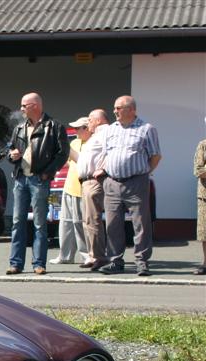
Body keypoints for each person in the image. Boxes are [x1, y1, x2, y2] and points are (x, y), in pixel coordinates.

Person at [94, 95, 161, 276]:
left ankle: (141, 261)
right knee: (112, 224)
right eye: (114, 108)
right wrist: (103, 170)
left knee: (141, 223)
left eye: (119, 108)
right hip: (112, 182)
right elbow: (106, 154)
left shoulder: (146, 129)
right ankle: (115, 261)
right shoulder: (109, 130)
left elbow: (155, 156)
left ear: (131, 110)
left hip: (136, 182)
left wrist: (144, 172)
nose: (114, 111)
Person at [6, 92, 69, 275]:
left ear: (35, 105)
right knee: (18, 222)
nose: (21, 109)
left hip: (39, 180)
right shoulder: (19, 128)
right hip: (21, 178)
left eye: (24, 105)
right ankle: (16, 263)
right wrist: (12, 156)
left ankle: (39, 264)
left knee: (40, 223)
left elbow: (62, 153)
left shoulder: (54, 126)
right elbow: (11, 151)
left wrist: (47, 173)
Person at [51, 117, 92, 265]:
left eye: (78, 128)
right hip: (69, 187)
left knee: (81, 224)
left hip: (82, 189)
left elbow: (82, 161)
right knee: (66, 223)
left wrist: (66, 149)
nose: (75, 132)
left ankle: (87, 255)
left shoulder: (93, 143)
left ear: (87, 128)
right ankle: (65, 255)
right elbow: (68, 163)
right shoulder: (75, 142)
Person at [76, 109, 111, 270]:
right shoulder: (94, 137)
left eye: (89, 120)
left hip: (94, 181)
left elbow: (111, 152)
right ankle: (92, 255)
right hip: (86, 181)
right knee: (87, 221)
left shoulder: (104, 133)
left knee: (93, 220)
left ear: (97, 121)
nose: (87, 123)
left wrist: (103, 169)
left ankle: (100, 257)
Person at [194, 126, 206, 275]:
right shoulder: (203, 145)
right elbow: (198, 170)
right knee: (205, 233)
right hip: (205, 197)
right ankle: (205, 263)